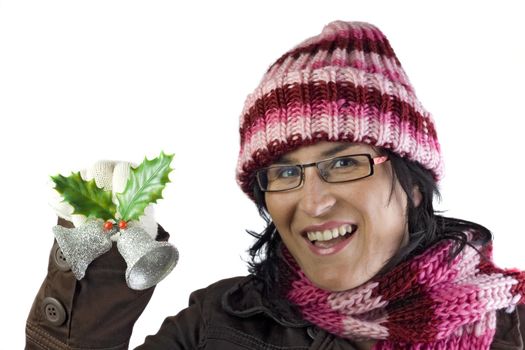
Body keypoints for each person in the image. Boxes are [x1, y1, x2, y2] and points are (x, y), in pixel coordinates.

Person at [26, 20, 525, 350]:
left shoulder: (513, 331)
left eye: (345, 162)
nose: (314, 200)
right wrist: (103, 267)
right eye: (285, 173)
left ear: (413, 186)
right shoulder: (217, 325)